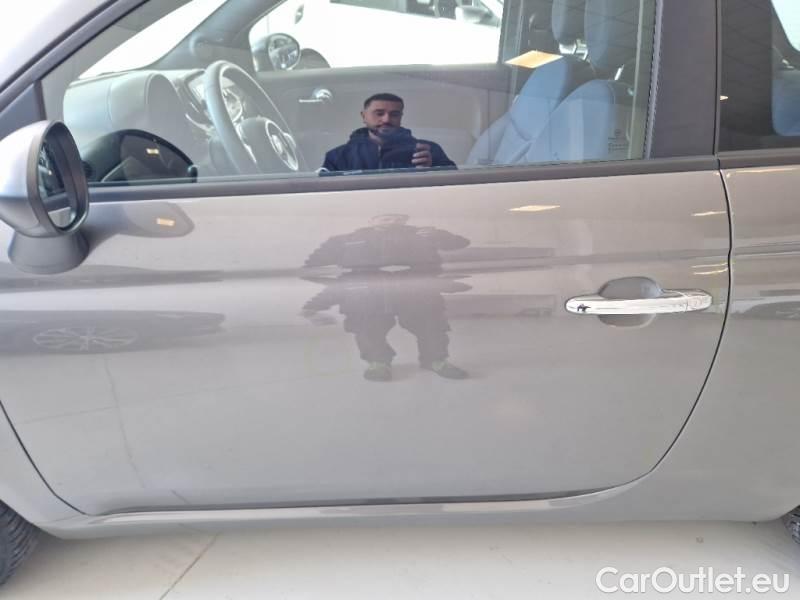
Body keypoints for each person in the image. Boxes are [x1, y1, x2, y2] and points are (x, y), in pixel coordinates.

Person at [302, 214, 470, 382]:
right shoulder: (346, 240)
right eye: (386, 218)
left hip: (415, 288)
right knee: (367, 328)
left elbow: (461, 243)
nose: (393, 222)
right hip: (368, 291)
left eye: (398, 218)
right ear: (371, 220)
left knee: (431, 325)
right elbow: (314, 265)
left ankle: (436, 360)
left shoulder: (423, 234)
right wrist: (315, 304)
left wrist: (439, 235)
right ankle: (378, 362)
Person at [321, 93, 456, 172]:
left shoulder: (429, 150)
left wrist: (431, 170)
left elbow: (454, 189)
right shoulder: (337, 156)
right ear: (363, 116)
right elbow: (326, 198)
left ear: (401, 117)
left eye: (394, 114)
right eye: (379, 113)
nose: (386, 119)